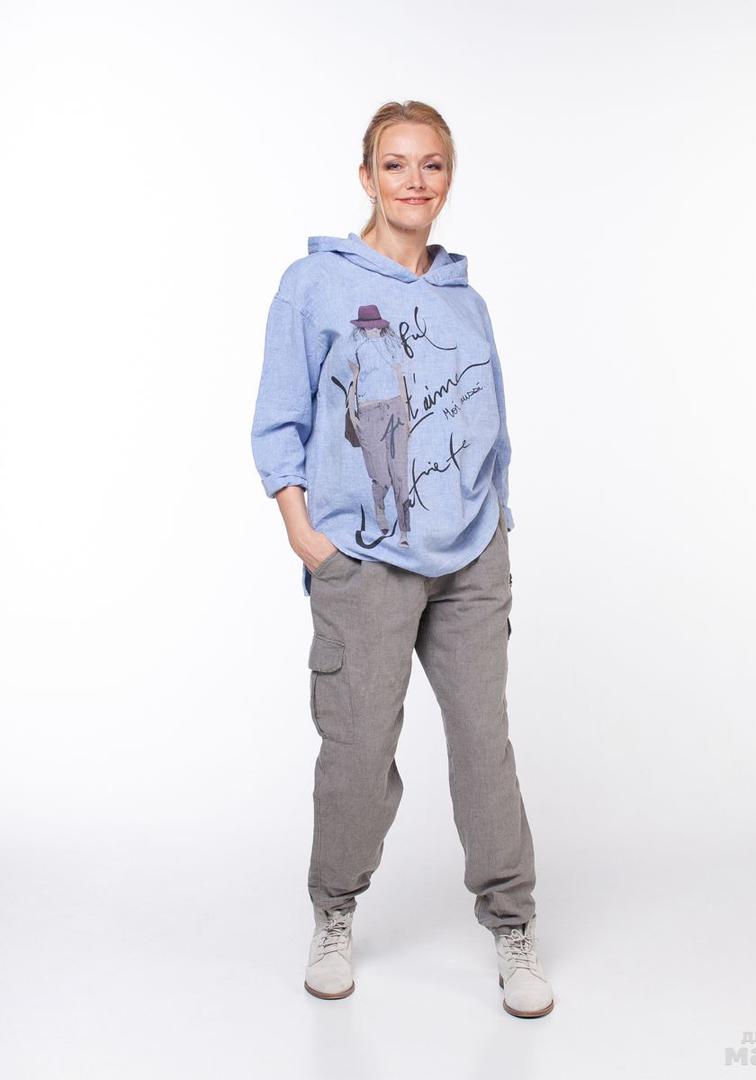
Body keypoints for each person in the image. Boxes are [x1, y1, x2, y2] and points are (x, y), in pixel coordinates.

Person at [250, 100, 554, 1019]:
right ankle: (333, 913)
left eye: (431, 165)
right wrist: (304, 532)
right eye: (395, 164)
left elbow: (494, 422)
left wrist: (497, 519)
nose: (413, 181)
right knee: (357, 749)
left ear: (447, 180)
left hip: (470, 561)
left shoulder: (466, 300)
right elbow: (280, 419)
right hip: (365, 560)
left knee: (483, 747)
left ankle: (512, 925)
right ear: (367, 177)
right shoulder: (315, 285)